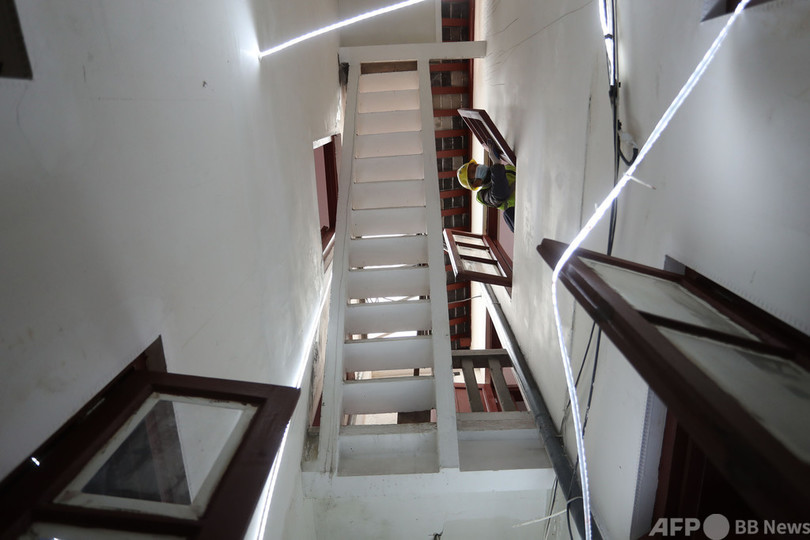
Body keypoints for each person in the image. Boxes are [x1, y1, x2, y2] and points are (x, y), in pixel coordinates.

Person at [456, 142, 516, 231]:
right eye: (473, 172)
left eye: (475, 165)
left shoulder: (506, 168)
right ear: (474, 184)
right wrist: (496, 165)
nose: (478, 167)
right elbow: (500, 194)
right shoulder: (482, 195)